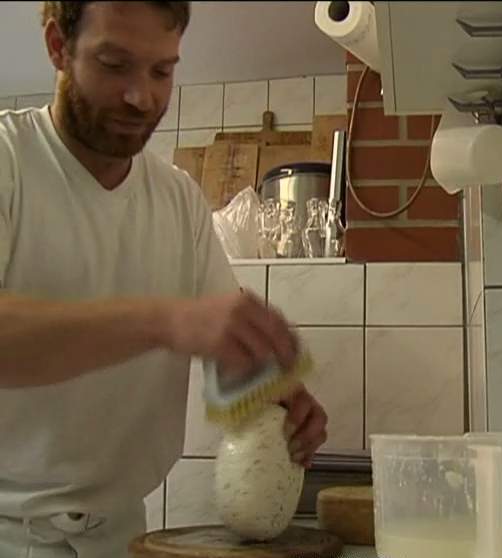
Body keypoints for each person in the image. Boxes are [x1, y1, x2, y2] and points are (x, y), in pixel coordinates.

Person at [0, 1, 328, 556]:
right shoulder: (10, 161)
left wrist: (274, 392)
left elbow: (225, 343)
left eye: (162, 71)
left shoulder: (177, 198)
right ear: (59, 46)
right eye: (114, 64)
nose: (142, 97)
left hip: (123, 532)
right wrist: (164, 321)